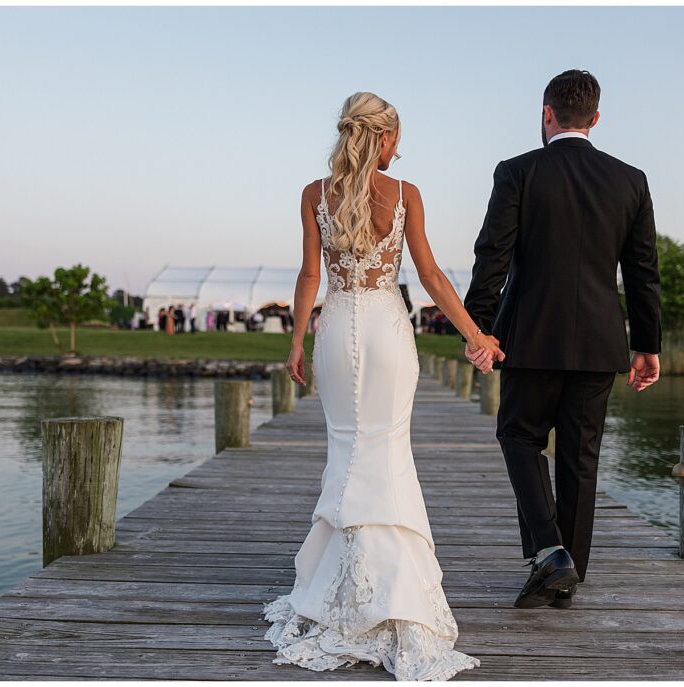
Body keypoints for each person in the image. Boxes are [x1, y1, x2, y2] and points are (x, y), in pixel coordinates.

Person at [266, 92, 502, 681]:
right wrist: (477, 335)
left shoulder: (312, 195)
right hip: (388, 330)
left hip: (338, 323)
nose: (401, 148)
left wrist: (296, 343)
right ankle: (395, 595)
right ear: (384, 137)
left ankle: (336, 592)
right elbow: (429, 275)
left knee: (347, 453)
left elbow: (309, 276)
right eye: (398, 137)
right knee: (390, 454)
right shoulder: (406, 196)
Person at [462, 69, 663, 611]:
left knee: (519, 438)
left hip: (529, 338)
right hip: (600, 343)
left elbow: (493, 255)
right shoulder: (630, 180)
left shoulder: (518, 171)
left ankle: (551, 552)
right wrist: (648, 344)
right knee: (580, 459)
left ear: (546, 113)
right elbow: (642, 270)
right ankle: (565, 578)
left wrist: (479, 326)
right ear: (595, 120)